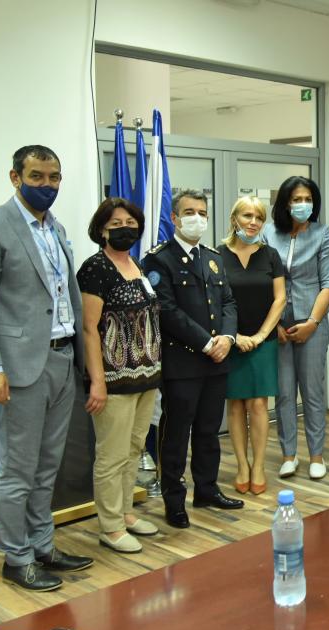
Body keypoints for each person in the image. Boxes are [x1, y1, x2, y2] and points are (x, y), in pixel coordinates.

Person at [0, 145, 93, 591]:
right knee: (17, 468)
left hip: (62, 358)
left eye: (54, 177)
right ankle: (15, 557)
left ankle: (43, 546)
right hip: (18, 367)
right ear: (15, 178)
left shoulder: (56, 228)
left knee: (48, 465)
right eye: (37, 176)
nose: (47, 185)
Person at [143, 189, 244, 529]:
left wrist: (227, 338)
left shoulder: (213, 257)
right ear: (174, 218)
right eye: (189, 212)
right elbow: (166, 310)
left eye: (202, 212)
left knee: (208, 431)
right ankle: (174, 501)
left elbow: (228, 302)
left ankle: (207, 489)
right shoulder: (159, 259)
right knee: (176, 434)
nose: (197, 218)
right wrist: (206, 342)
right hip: (182, 363)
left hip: (216, 361)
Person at [78, 198, 162, 554]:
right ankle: (110, 527)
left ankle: (126, 512)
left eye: (130, 223)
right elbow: (89, 328)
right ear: (102, 230)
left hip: (146, 376)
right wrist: (97, 381)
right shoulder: (95, 268)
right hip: (113, 380)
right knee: (111, 456)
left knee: (133, 449)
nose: (124, 229)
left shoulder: (135, 264)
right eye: (115, 224)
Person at [264, 177, 329, 481]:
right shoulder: (269, 233)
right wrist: (275, 324)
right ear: (285, 202)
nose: (302, 204)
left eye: (307, 199)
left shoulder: (321, 233)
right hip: (278, 323)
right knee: (283, 393)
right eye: (296, 199)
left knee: (313, 392)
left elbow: (328, 283)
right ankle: (288, 455)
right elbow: (263, 279)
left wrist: (312, 323)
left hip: (312, 323)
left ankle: (316, 456)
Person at [218, 197, 287, 495]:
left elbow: (280, 299)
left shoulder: (270, 255)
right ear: (234, 218)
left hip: (263, 341)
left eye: (259, 217)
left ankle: (258, 466)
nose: (253, 222)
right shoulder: (217, 255)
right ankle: (242, 466)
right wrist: (234, 336)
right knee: (235, 404)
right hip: (230, 341)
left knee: (258, 404)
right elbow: (215, 303)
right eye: (247, 216)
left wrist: (260, 336)